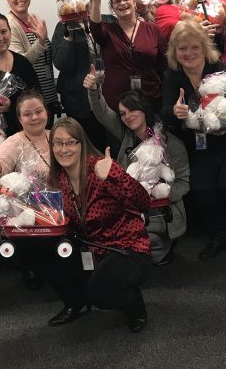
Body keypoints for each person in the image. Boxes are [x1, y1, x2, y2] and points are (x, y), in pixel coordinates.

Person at [162, 20, 226, 260]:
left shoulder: (224, 70)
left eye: (194, 47)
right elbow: (165, 111)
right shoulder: (173, 77)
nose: (188, 53)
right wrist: (175, 114)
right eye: (182, 48)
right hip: (203, 144)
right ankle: (219, 233)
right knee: (201, 186)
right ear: (174, 52)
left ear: (203, 47)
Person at [44, 118, 151, 332]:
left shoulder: (101, 168)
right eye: (57, 143)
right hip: (91, 249)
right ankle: (75, 303)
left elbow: (143, 202)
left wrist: (116, 174)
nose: (63, 149)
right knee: (48, 255)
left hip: (126, 248)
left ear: (81, 144)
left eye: (70, 142)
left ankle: (135, 306)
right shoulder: (56, 179)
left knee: (100, 291)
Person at [84, 69, 189, 266]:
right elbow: (101, 111)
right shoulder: (126, 135)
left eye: (132, 110)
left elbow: (183, 183)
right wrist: (93, 89)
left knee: (148, 245)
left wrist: (158, 198)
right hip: (129, 208)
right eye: (123, 113)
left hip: (161, 210)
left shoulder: (171, 143)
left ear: (145, 109)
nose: (127, 116)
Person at [84, 0, 166, 112]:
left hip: (150, 100)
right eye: (117, 1)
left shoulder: (153, 30)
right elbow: (95, 27)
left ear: (134, 2)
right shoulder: (107, 31)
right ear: (112, 6)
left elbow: (165, 67)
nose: (122, 3)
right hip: (117, 104)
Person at [50, 19, 112, 151]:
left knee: (109, 144)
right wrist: (69, 34)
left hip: (107, 93)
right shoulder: (63, 26)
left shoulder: (106, 20)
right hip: (78, 99)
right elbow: (60, 63)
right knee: (84, 145)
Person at [4, 0, 59, 117]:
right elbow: (20, 63)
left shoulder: (35, 19)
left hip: (47, 93)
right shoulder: (8, 25)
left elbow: (46, 57)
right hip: (29, 99)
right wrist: (40, 42)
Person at [0, 90, 53, 182]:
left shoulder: (56, 136)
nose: (34, 117)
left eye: (39, 112)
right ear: (19, 118)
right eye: (27, 114)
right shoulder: (14, 142)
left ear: (46, 113)